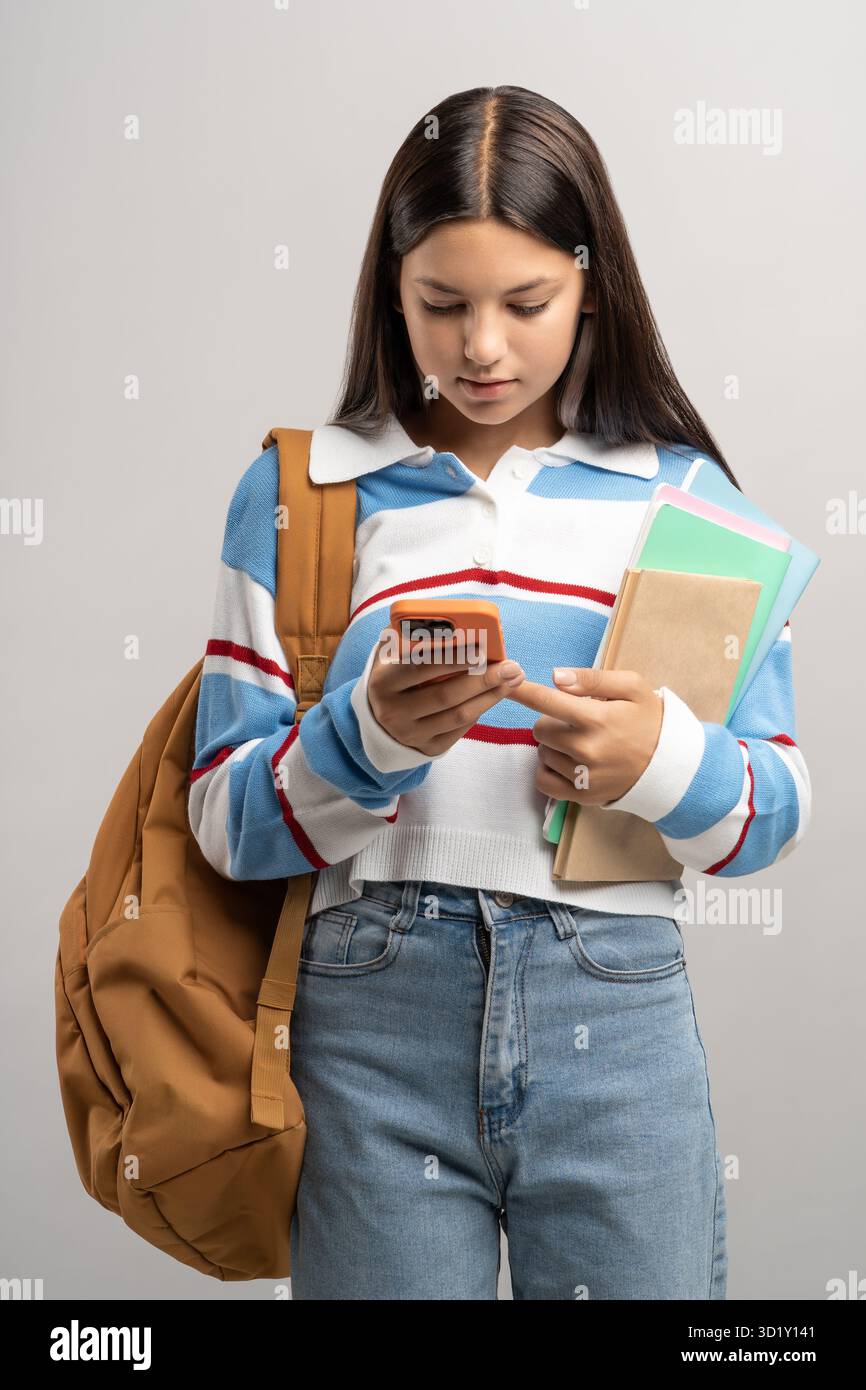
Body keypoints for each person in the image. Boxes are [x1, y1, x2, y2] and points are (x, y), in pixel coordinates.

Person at [189, 86, 811, 1300]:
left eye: (526, 304)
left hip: (614, 1005)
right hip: (370, 1013)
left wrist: (661, 762)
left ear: (593, 288)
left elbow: (777, 803)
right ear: (390, 290)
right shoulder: (300, 493)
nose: (481, 347)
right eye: (441, 304)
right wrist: (363, 739)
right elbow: (223, 819)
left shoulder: (680, 500)